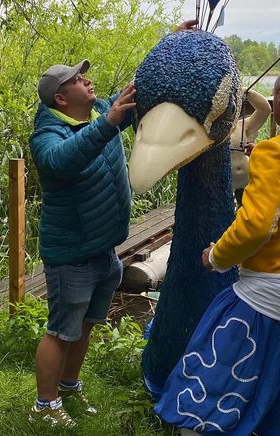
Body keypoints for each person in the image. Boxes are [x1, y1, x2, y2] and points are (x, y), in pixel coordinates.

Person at [153, 67, 280, 435]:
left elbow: (257, 226)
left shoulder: (278, 152)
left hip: (267, 293)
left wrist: (216, 256)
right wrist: (266, 162)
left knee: (205, 380)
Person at [28, 20, 198, 429]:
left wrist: (168, 44)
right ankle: (43, 406)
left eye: (83, 74)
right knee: (60, 330)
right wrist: (105, 125)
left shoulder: (103, 112)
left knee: (86, 325)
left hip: (106, 252)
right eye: (75, 79)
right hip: (72, 255)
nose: (86, 79)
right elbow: (60, 161)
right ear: (60, 98)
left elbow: (135, 89)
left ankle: (69, 386)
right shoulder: (47, 135)